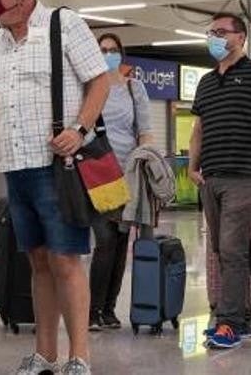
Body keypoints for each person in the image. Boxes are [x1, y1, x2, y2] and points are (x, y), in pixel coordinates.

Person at [0, 0, 110, 375]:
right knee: (38, 262)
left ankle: (79, 357)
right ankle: (44, 354)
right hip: (16, 166)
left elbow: (99, 81)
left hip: (57, 165)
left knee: (66, 260)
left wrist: (79, 128)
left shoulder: (64, 24)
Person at [187, 12, 251, 350]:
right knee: (222, 248)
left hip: (244, 174)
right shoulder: (205, 81)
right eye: (211, 32)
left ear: (241, 37)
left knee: (230, 248)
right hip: (211, 176)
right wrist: (192, 165)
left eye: (222, 32)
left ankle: (228, 323)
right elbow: (198, 129)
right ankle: (242, 319)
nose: (215, 38)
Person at [87, 32, 154, 331]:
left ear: (121, 54)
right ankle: (92, 310)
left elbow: (145, 131)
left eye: (113, 50)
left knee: (120, 241)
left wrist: (147, 161)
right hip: (98, 172)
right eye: (102, 50)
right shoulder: (88, 88)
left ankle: (110, 309)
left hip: (128, 172)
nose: (108, 54)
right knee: (104, 241)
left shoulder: (133, 88)